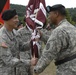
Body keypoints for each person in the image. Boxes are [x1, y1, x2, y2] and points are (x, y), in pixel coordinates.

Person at [33, 4, 76, 75]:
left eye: (50, 14)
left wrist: (36, 70)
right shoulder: (71, 27)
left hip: (66, 70)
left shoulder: (59, 31)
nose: (49, 17)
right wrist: (42, 35)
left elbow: (48, 54)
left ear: (56, 14)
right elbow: (59, 43)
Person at [0, 9, 31, 75]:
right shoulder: (2, 37)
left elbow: (22, 47)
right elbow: (9, 60)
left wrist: (32, 42)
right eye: (15, 18)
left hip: (15, 71)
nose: (17, 20)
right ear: (7, 19)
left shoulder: (15, 32)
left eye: (17, 18)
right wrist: (29, 62)